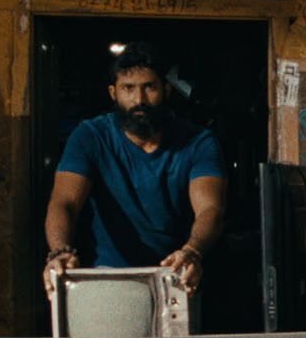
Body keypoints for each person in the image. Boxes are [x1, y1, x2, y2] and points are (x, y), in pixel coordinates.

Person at [42, 42, 226, 295]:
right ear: (113, 93)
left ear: (166, 90)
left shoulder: (198, 142)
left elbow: (210, 209)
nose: (139, 100)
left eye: (149, 87)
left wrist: (192, 252)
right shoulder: (90, 136)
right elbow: (64, 202)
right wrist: (59, 251)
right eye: (128, 89)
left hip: (176, 270)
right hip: (108, 273)